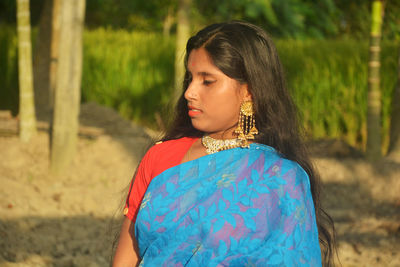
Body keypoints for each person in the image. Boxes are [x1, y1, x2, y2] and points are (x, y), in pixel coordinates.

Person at [113, 21, 335, 266]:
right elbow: (126, 258)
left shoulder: (281, 178)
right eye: (190, 78)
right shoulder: (162, 156)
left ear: (249, 91)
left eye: (207, 81)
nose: (189, 92)